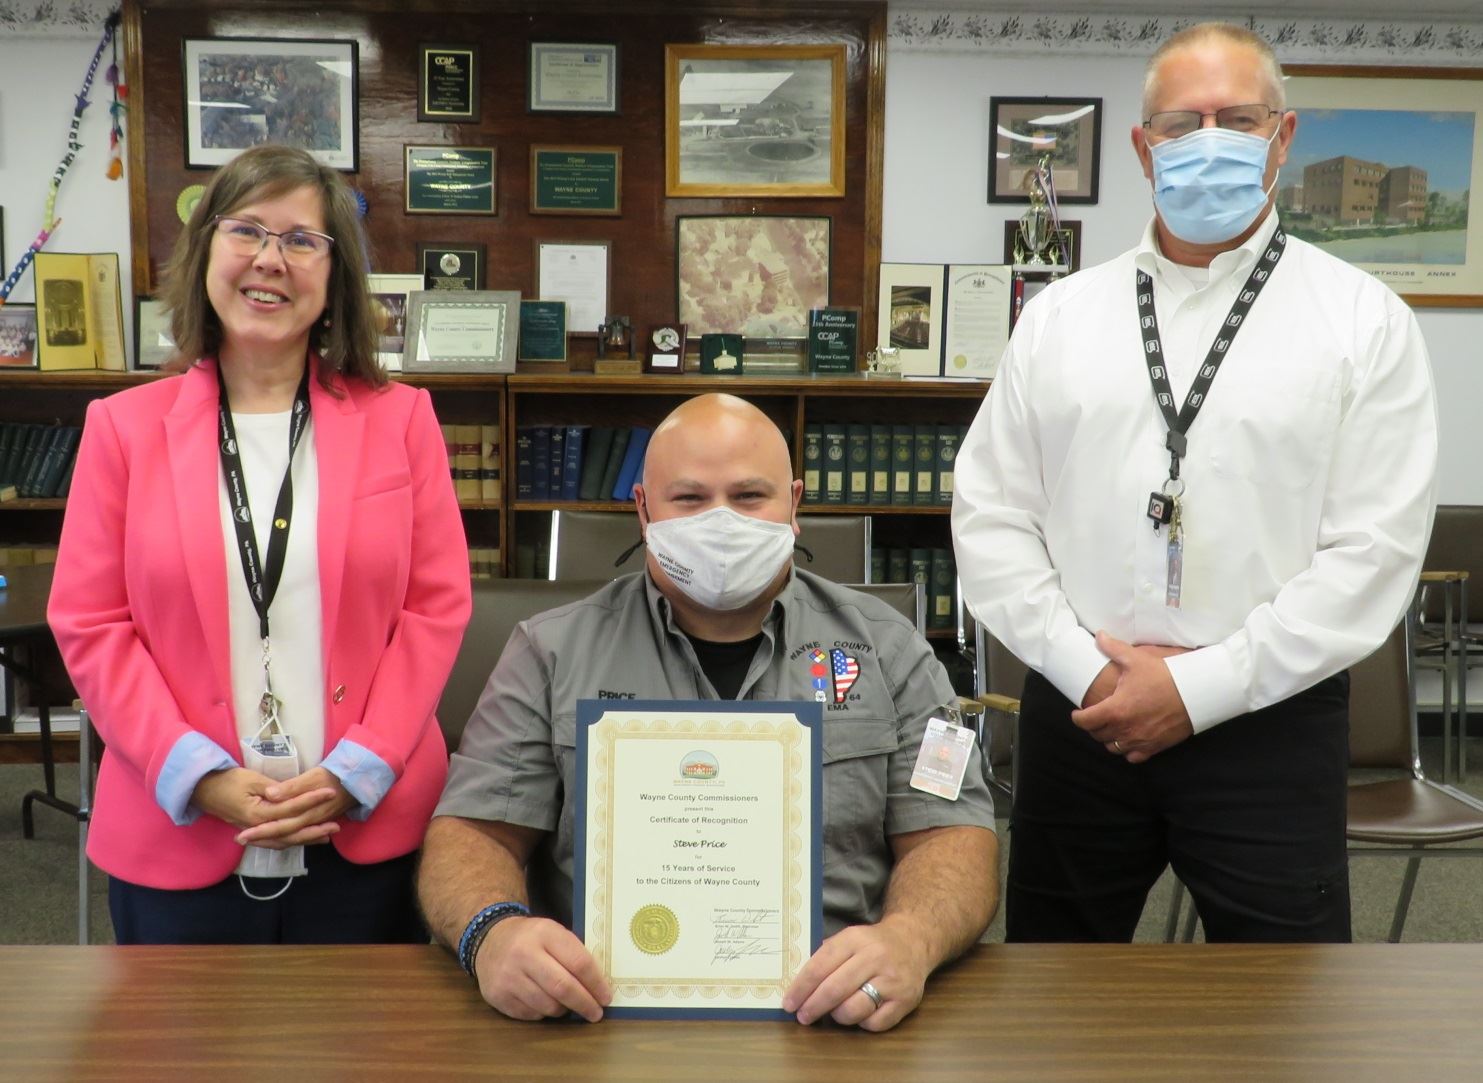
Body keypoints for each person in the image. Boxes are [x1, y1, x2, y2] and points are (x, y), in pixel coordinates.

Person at [952, 23, 1438, 944]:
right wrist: (1091, 669)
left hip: (1269, 719)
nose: (1207, 139)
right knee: (1054, 997)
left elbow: (1370, 556)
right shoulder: (1058, 319)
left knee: (1278, 1013)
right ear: (1142, 147)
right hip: (1081, 708)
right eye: (1181, 123)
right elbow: (990, 516)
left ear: (1281, 138)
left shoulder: (1363, 324)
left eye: (1237, 118)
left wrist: (1200, 687)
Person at [418, 393, 997, 1031]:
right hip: (596, 1014)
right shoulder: (549, 651)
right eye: (689, 499)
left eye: (750, 497)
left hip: (838, 1012)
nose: (721, 522)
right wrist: (492, 934)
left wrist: (910, 940)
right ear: (643, 509)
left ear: (795, 506)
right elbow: (472, 833)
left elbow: (953, 835)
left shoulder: (890, 652)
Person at [48, 144, 472, 944]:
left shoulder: (401, 419)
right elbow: (92, 623)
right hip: (177, 838)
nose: (270, 260)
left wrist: (363, 766)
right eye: (246, 230)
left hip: (366, 831)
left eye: (301, 240)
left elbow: (435, 607)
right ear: (206, 248)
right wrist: (193, 772)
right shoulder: (123, 429)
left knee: (372, 1058)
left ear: (333, 272)